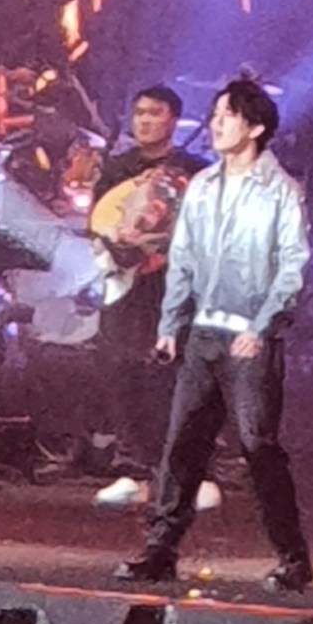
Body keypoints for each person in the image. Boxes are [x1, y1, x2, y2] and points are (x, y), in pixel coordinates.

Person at [115, 76, 313, 591]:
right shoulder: (202, 185)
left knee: (257, 446)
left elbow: (292, 267)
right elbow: (182, 258)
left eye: (227, 115)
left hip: (250, 340)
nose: (215, 124)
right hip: (204, 333)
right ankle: (160, 550)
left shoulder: (281, 191)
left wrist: (262, 327)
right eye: (216, 115)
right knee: (182, 445)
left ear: (255, 127)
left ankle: (293, 557)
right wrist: (170, 324)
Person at [89, 86, 222, 511]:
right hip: (127, 283)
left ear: (173, 119)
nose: (145, 120)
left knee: (178, 377)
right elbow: (100, 223)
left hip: (177, 287)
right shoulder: (117, 170)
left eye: (155, 113)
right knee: (123, 371)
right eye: (139, 113)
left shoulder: (196, 171)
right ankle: (133, 469)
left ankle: (192, 473)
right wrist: (120, 249)